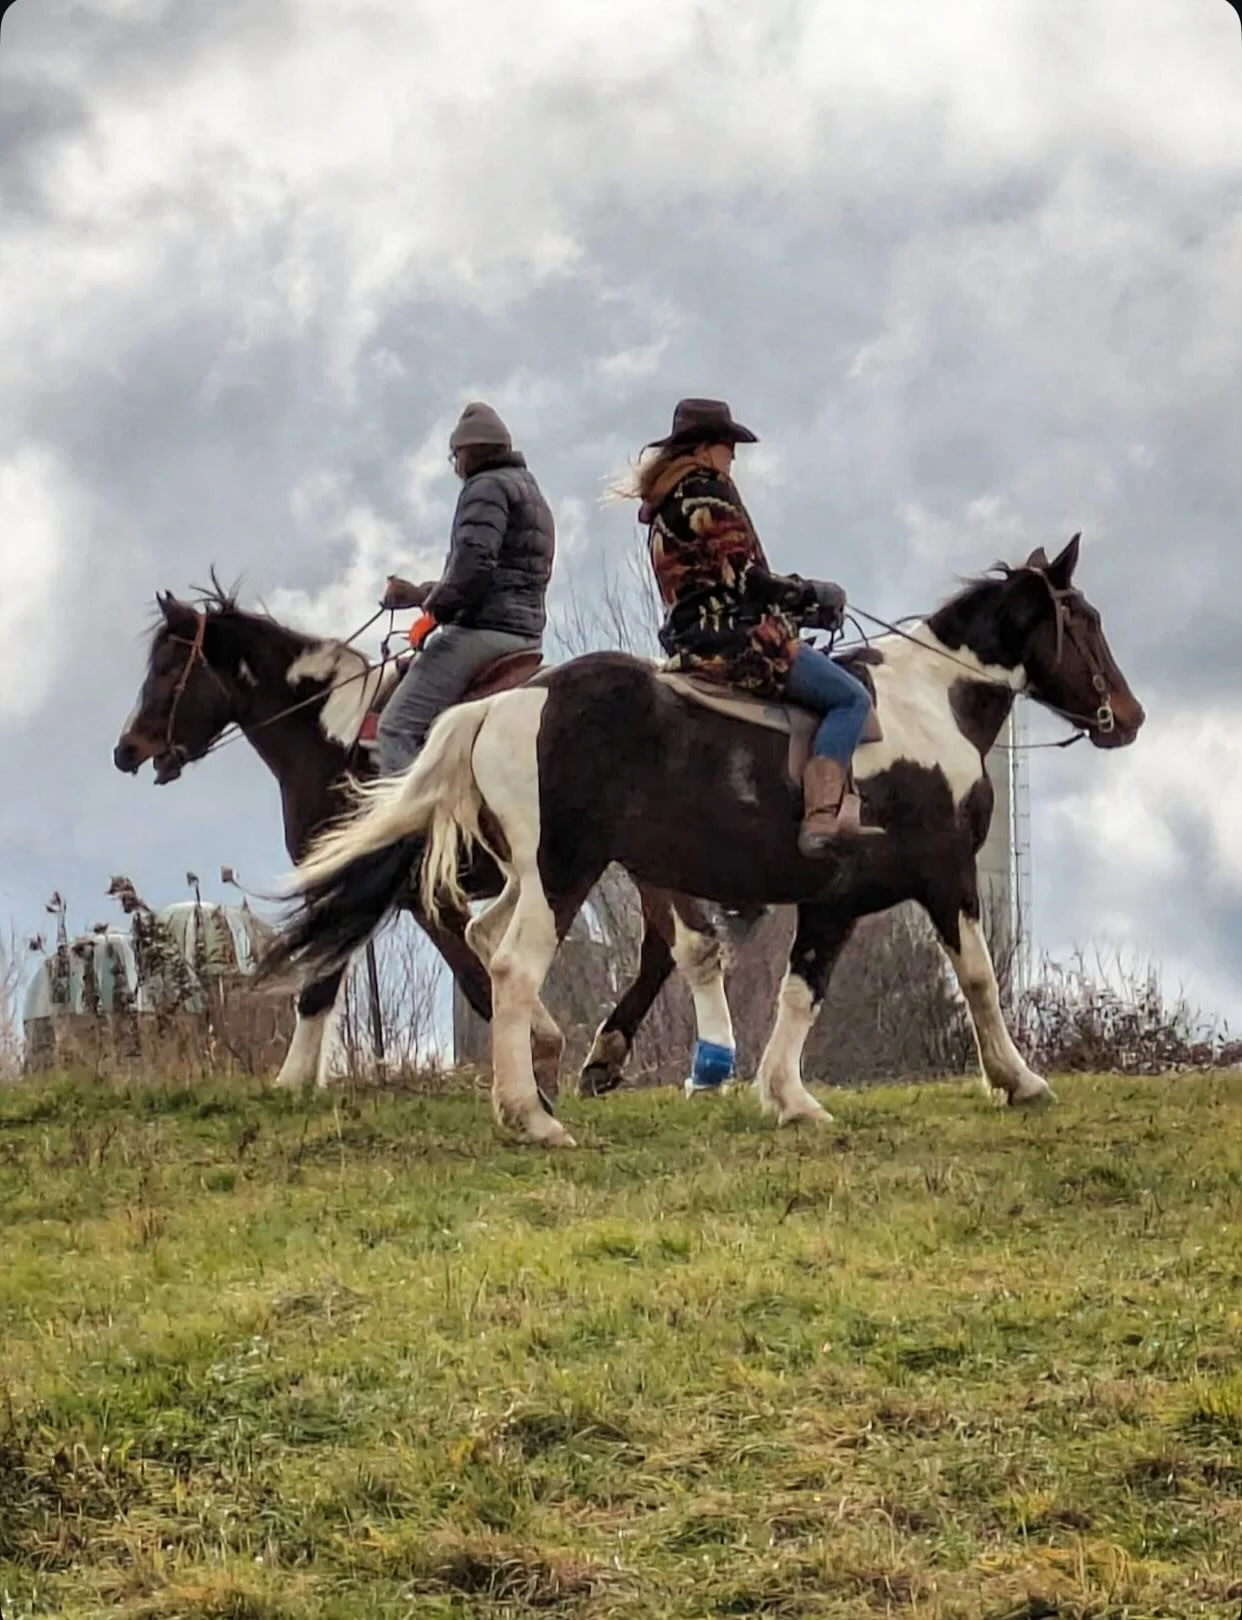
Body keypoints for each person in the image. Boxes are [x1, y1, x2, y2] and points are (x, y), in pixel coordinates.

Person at [630, 397, 874, 854]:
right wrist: (811, 594)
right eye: (727, 446)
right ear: (703, 450)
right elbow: (747, 580)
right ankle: (820, 818)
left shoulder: (663, 507)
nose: (733, 457)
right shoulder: (710, 493)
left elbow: (709, 583)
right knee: (850, 698)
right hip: (739, 644)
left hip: (687, 641)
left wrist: (799, 609)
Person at [376, 402, 554, 776]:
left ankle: (412, 829)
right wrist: (417, 594)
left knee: (396, 727)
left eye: (454, 456)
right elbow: (489, 570)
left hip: (484, 631)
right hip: (524, 635)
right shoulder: (526, 488)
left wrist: (433, 615)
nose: (455, 466)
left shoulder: (485, 487)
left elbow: (474, 567)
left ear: (469, 451)